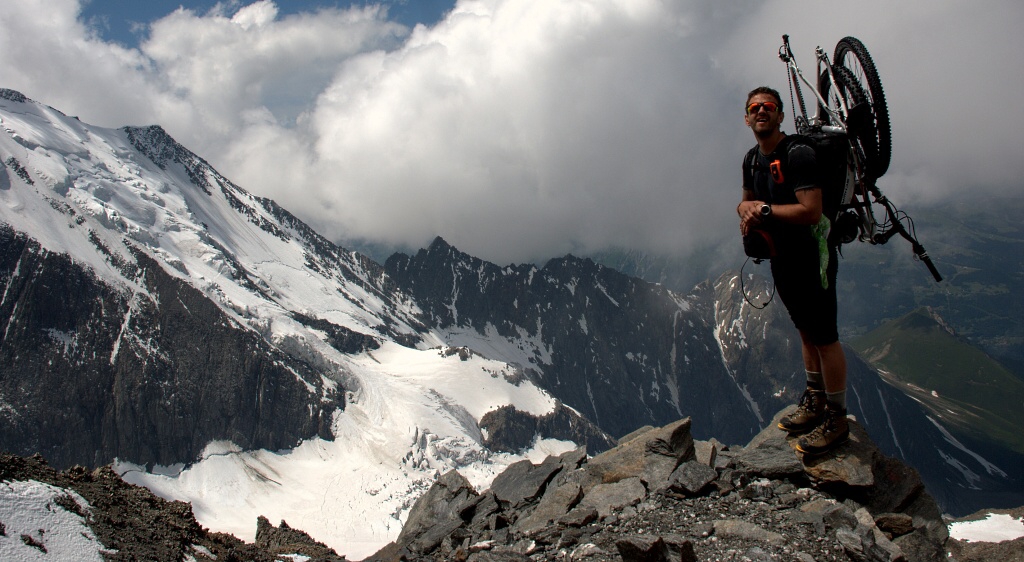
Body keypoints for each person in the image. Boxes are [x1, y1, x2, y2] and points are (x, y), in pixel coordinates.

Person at [737, 86, 849, 455]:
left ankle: (836, 418)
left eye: (768, 107)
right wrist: (745, 212)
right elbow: (745, 201)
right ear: (747, 117)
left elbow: (812, 211)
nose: (761, 112)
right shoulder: (752, 159)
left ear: (780, 115)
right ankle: (816, 399)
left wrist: (764, 211)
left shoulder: (797, 154)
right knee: (805, 330)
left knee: (825, 336)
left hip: (812, 256)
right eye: (755, 108)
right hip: (782, 256)